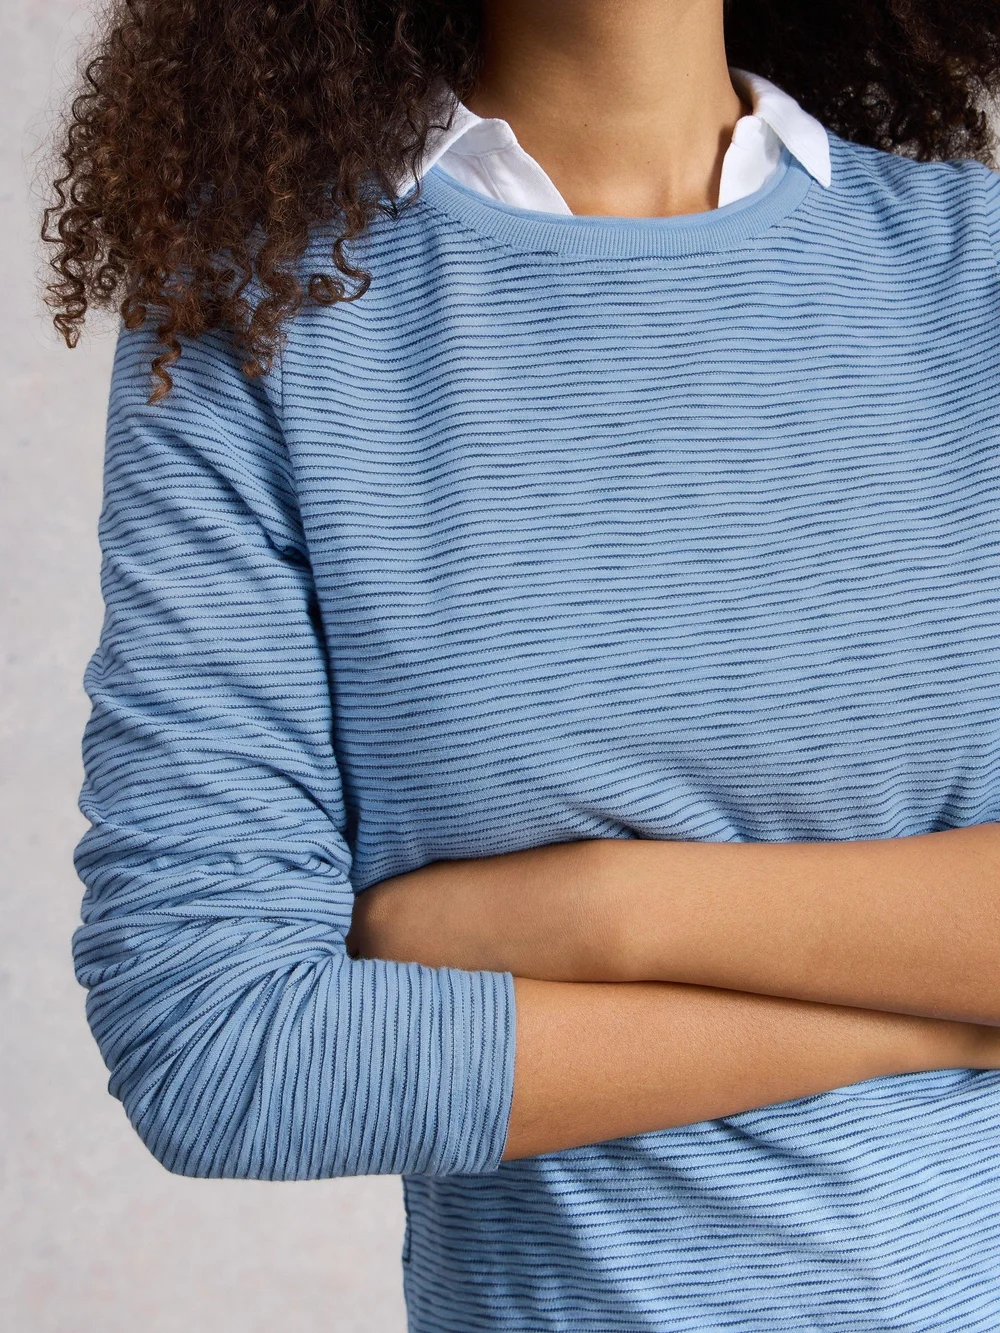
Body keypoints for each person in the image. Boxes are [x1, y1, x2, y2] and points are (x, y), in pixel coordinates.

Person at [44, 0, 1000, 1328]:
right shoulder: (258, 317)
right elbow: (220, 1049)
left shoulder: (975, 273)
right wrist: (940, 1015)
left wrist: (610, 912)